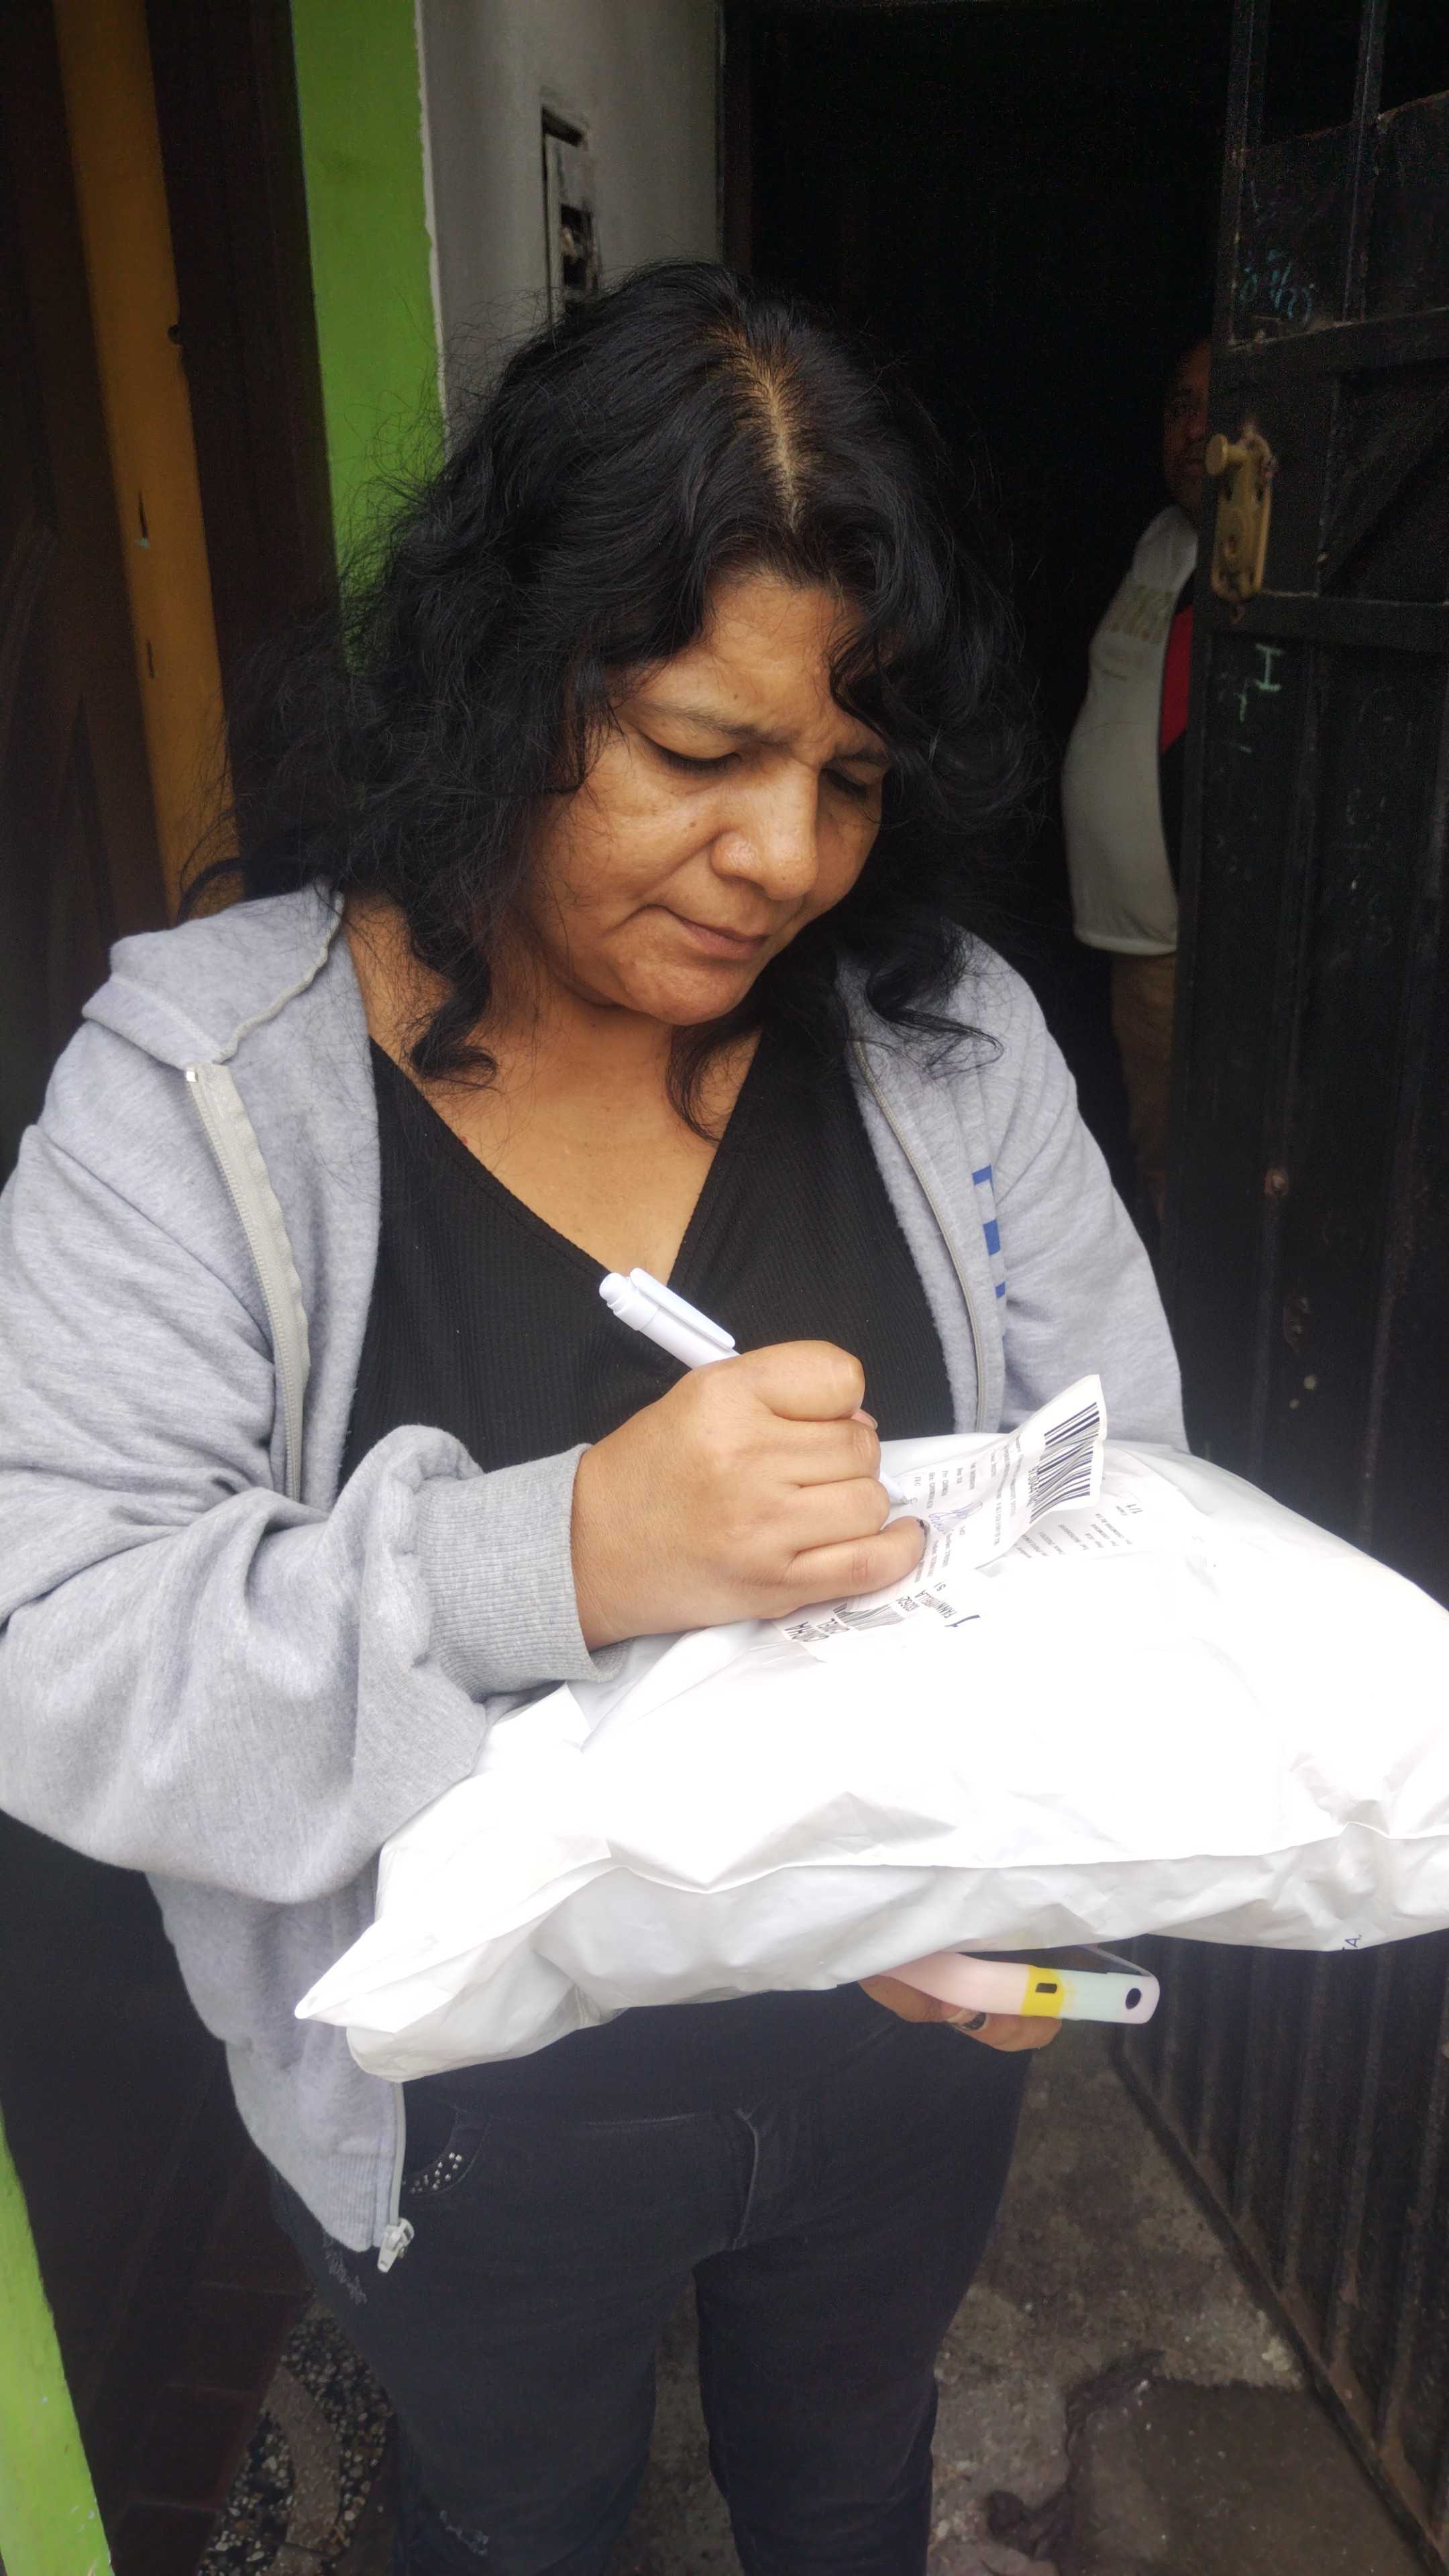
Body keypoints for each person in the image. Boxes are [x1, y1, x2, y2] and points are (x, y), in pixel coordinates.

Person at [0, 266, 1184, 2576]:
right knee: (513, 2521)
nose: (789, 859)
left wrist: (1015, 1846)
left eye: (847, 777)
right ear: (505, 676)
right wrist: (556, 1556)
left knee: (844, 2488)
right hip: (465, 2119)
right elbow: (57, 1644)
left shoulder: (943, 1050)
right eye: (699, 752)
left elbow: (1120, 1475)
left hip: (897, 2050)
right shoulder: (203, 1099)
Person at [1061, 335, 1211, 1225]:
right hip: (1130, 931)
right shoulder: (1160, 539)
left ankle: (1187, 1298)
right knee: (1148, 1138)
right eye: (1178, 408)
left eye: (1214, 405)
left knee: (1182, 1154)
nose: (1193, 430)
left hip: (1186, 942)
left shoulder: (1257, 561)